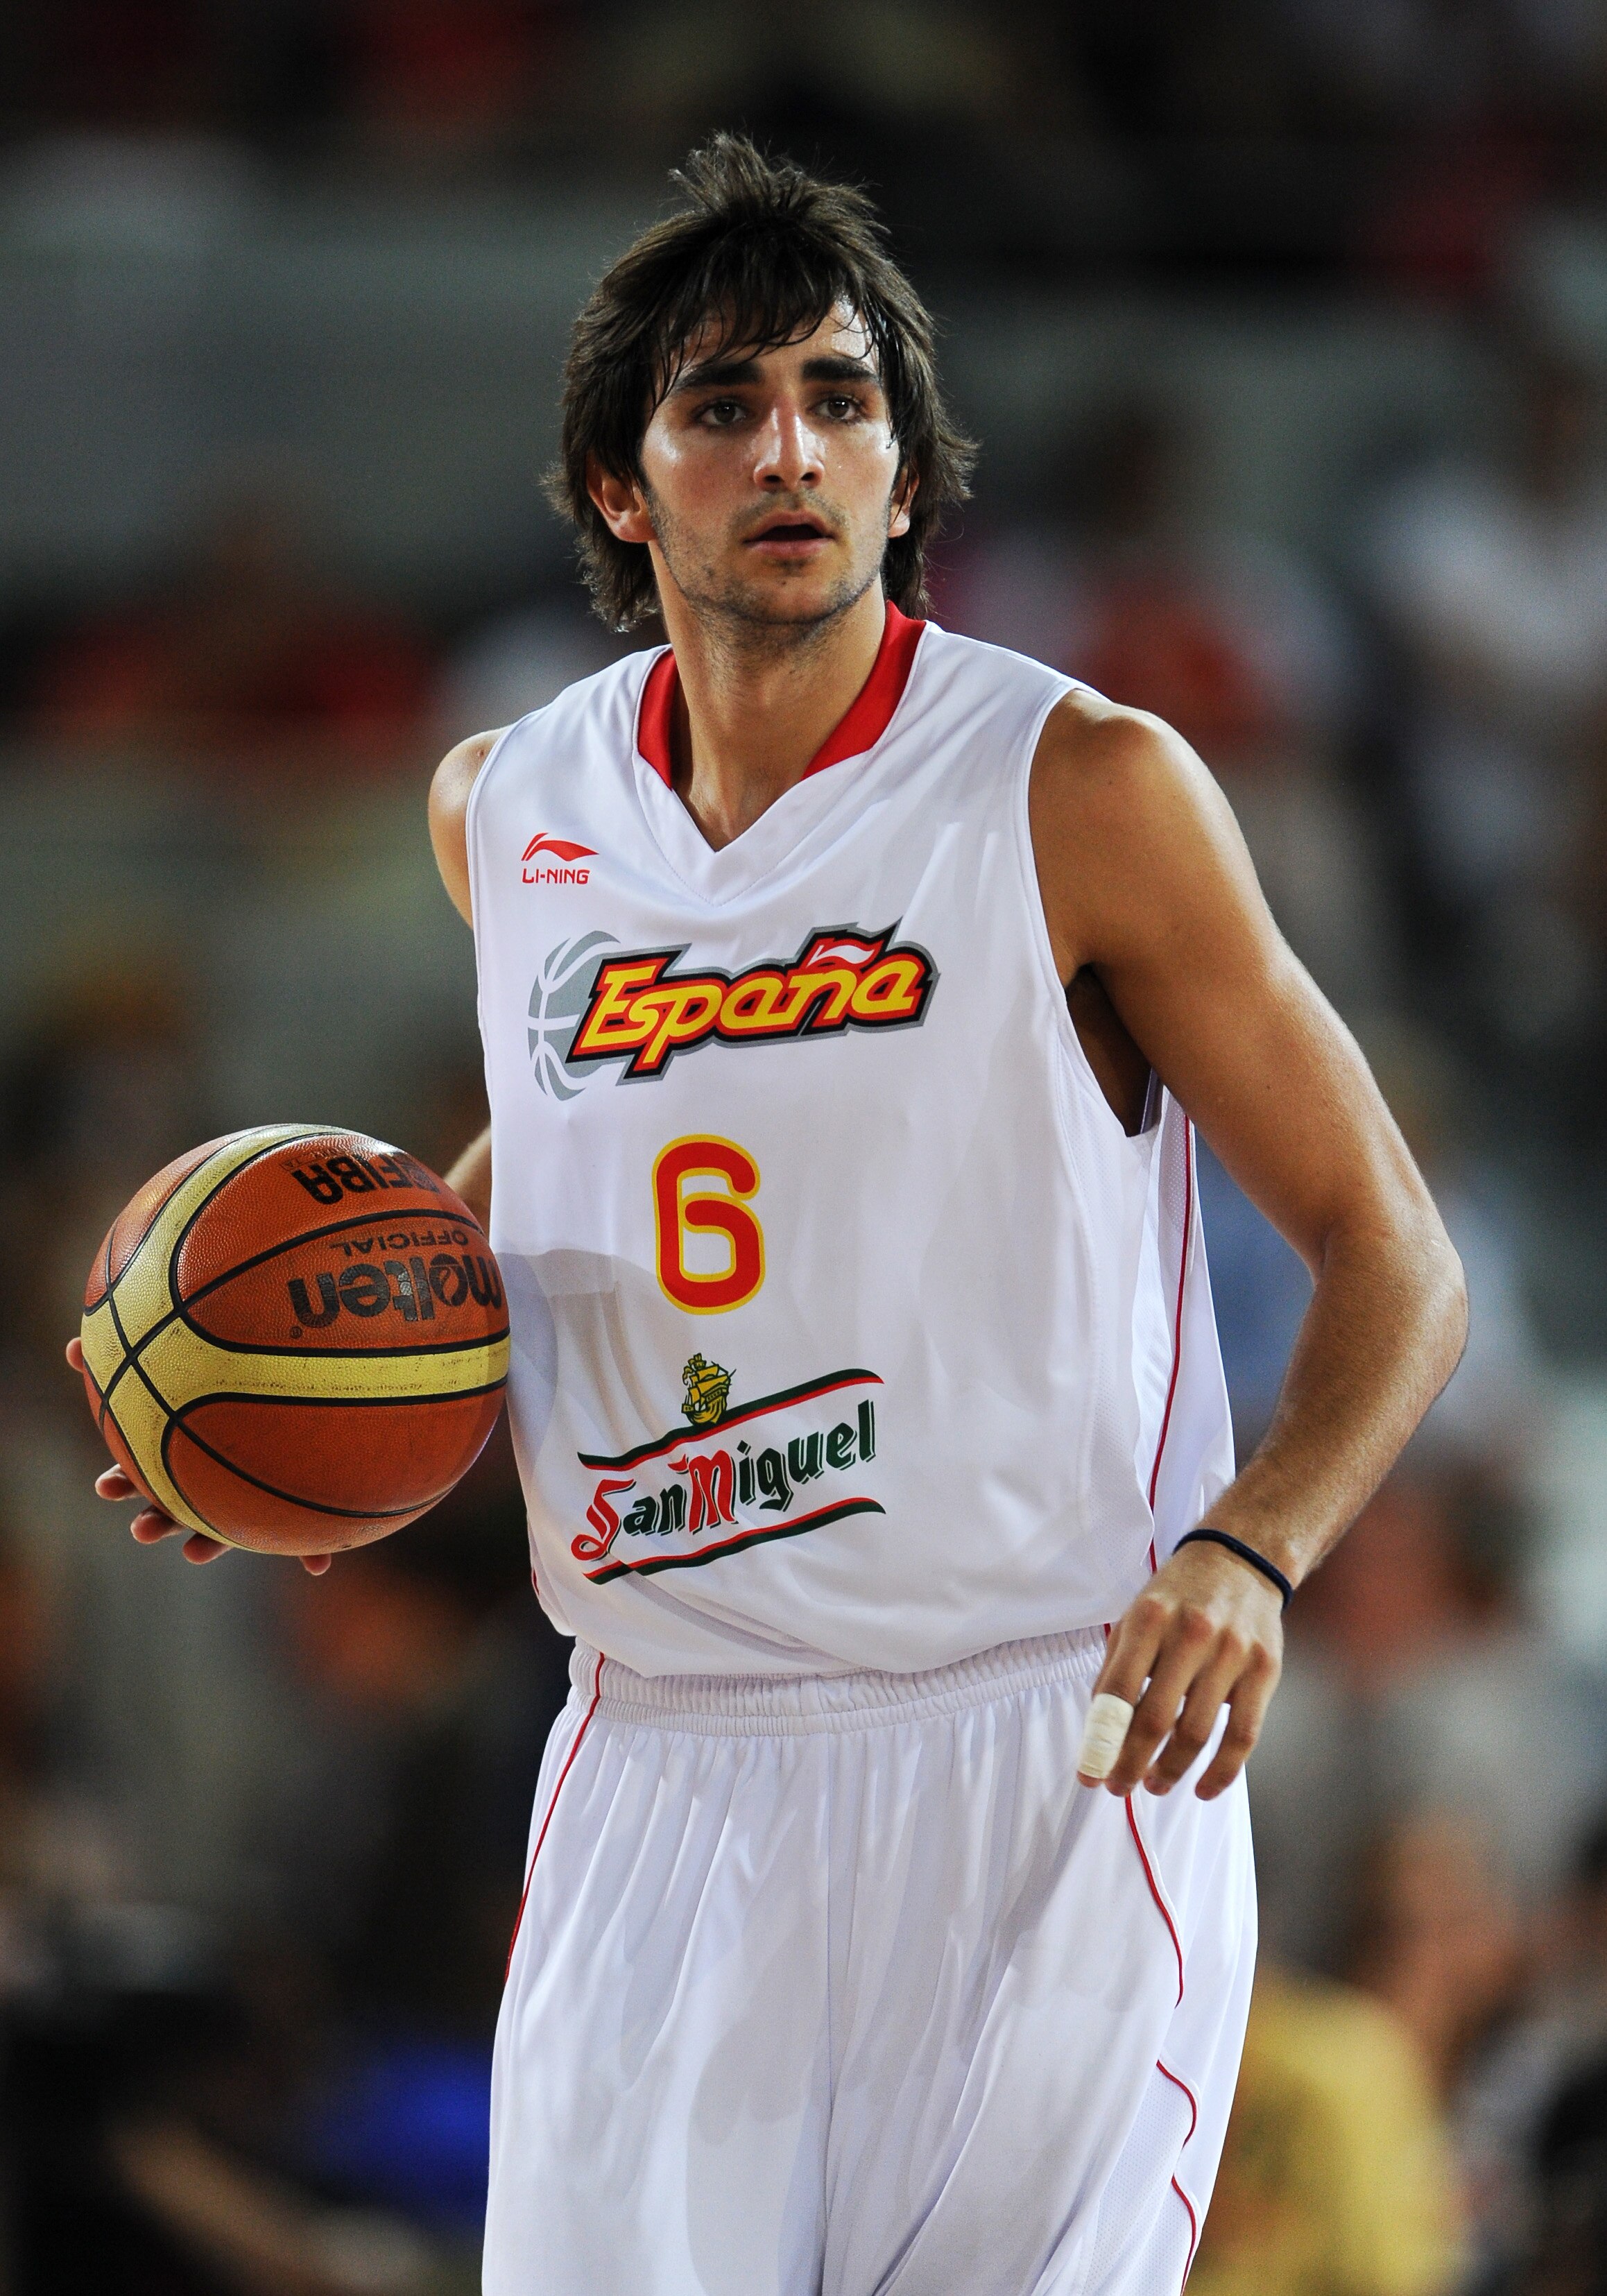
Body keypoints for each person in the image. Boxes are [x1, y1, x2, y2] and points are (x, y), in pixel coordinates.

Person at [73, 137, 1466, 2296]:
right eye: (722, 405)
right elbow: (540, 1167)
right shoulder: (510, 805)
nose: (789, 448)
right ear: (624, 492)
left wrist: (1254, 1545)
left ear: (913, 476)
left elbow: (1400, 1253)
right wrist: (328, 1394)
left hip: (1044, 1749)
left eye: (841, 398)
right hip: (665, 1764)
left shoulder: (1080, 787)